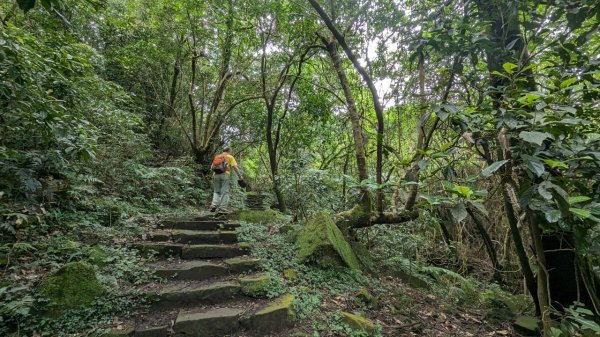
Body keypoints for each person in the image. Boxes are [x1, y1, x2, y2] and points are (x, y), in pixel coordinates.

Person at [210, 146, 244, 215]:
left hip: (216, 175)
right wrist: (240, 176)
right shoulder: (230, 157)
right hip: (225, 175)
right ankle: (222, 209)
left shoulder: (217, 156)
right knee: (225, 192)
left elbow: (211, 168)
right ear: (229, 151)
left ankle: (213, 205)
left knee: (216, 191)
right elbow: (235, 167)